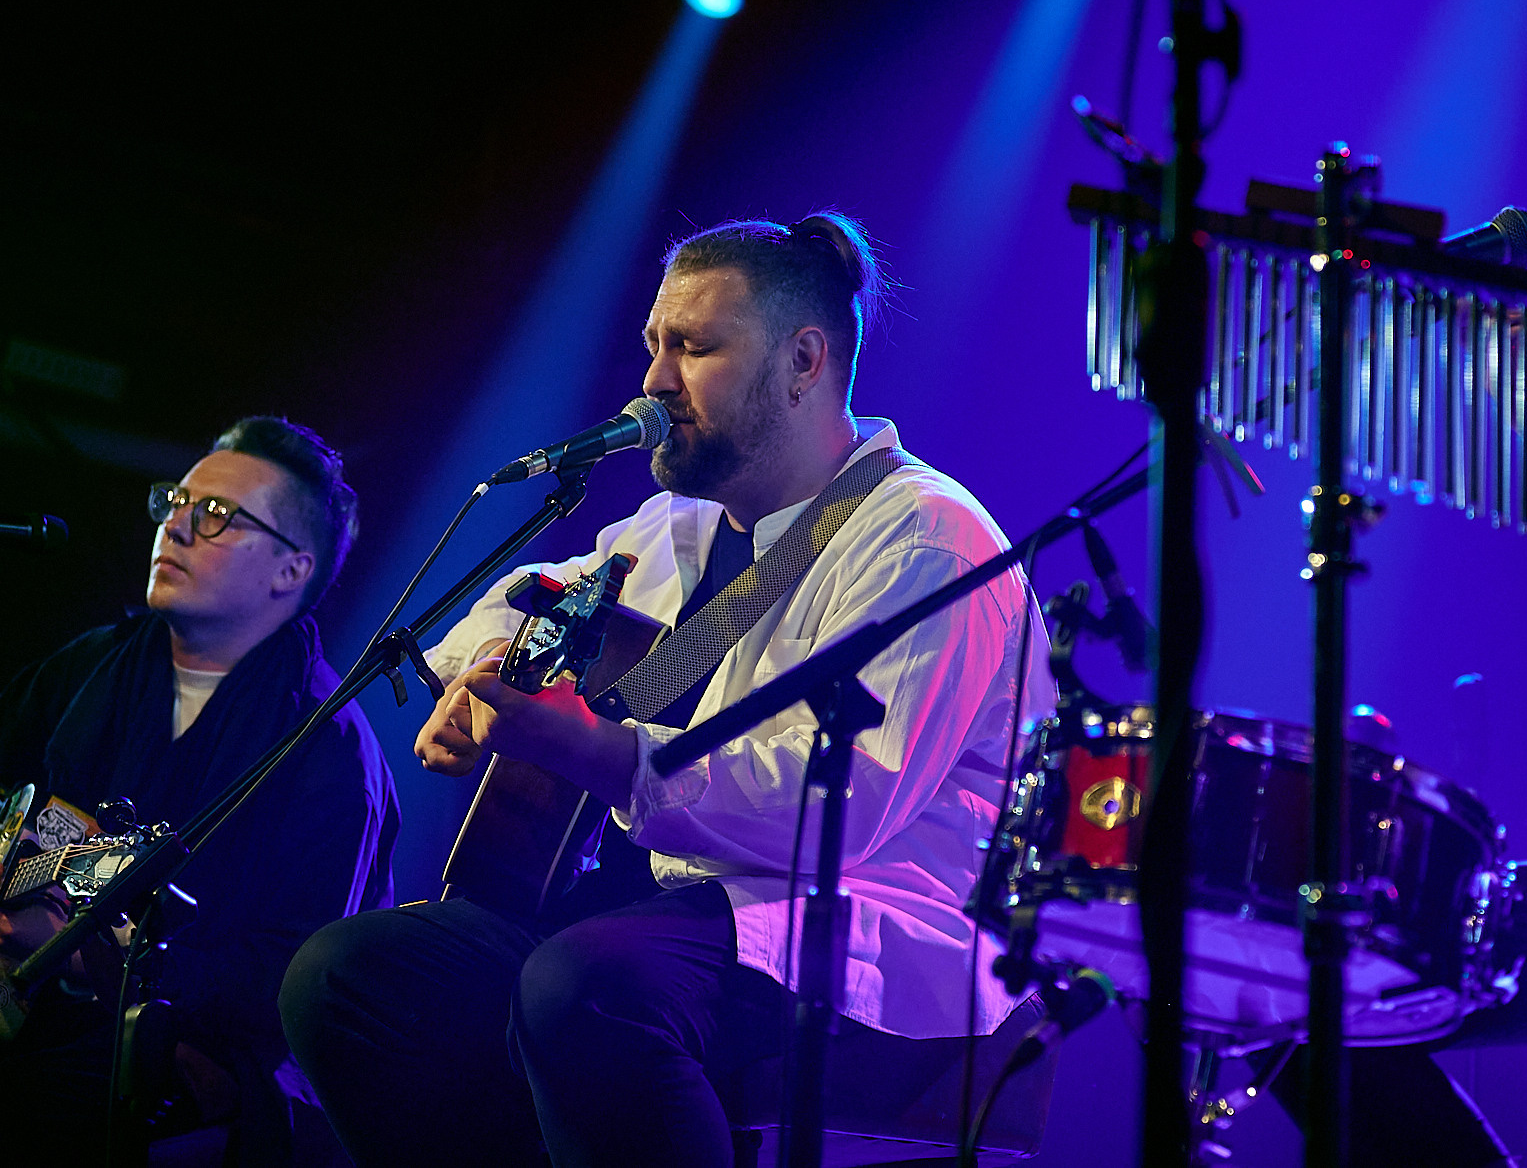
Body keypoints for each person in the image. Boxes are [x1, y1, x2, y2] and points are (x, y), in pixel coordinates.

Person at [281, 214, 1051, 1167]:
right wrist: (492, 674)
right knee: (345, 977)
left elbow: (833, 814)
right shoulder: (671, 525)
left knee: (585, 986)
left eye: (692, 347)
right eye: (654, 344)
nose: (652, 380)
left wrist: (594, 750)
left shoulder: (929, 541)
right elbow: (509, 605)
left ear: (804, 359)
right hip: (655, 906)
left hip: (856, 927)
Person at [0, 416, 400, 1161]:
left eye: (215, 515)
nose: (176, 526)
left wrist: (90, 959)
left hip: (189, 1049)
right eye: (176, 500)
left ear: (290, 570)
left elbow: (291, 975)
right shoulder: (95, 662)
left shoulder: (326, 749)